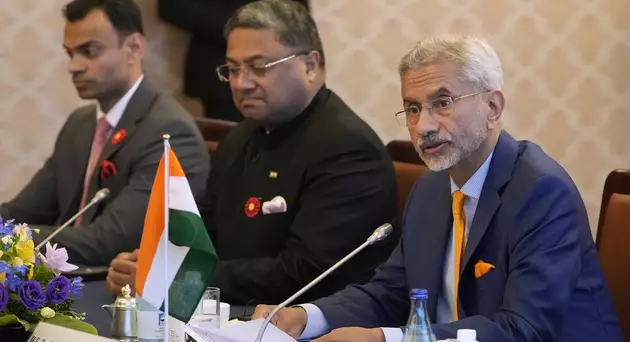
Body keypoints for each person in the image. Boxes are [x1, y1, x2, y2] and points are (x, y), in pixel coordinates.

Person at [252, 34, 630, 342]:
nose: (423, 126)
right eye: (412, 109)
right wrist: (306, 316)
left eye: (443, 103)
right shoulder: (432, 189)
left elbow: (523, 330)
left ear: (493, 107)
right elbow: (391, 293)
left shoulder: (541, 191)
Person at [106, 0, 398, 305]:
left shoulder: (347, 149)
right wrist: (147, 264)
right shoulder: (239, 136)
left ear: (310, 65)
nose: (241, 83)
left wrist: (176, 277)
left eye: (259, 68)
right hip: (230, 315)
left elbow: (305, 274)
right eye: (233, 69)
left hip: (310, 329)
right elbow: (203, 236)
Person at [0, 0, 209, 268]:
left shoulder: (169, 133)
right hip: (66, 279)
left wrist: (13, 238)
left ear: (134, 47)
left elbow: (107, 242)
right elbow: (22, 211)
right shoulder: (80, 124)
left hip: (114, 290)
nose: (74, 66)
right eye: (70, 53)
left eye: (89, 51)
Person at [157, 0, 309, 121]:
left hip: (280, 72)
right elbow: (171, 6)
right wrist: (239, 30)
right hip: (222, 74)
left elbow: (299, 12)